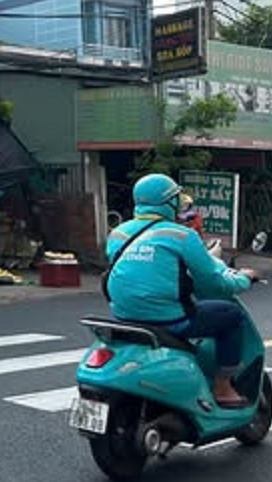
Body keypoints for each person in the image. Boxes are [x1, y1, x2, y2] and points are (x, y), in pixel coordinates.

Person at [106, 173, 258, 407]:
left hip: (124, 317)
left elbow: (142, 271)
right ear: (170, 202)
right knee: (231, 315)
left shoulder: (117, 234)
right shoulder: (181, 235)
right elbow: (214, 284)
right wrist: (244, 280)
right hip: (169, 320)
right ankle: (223, 388)